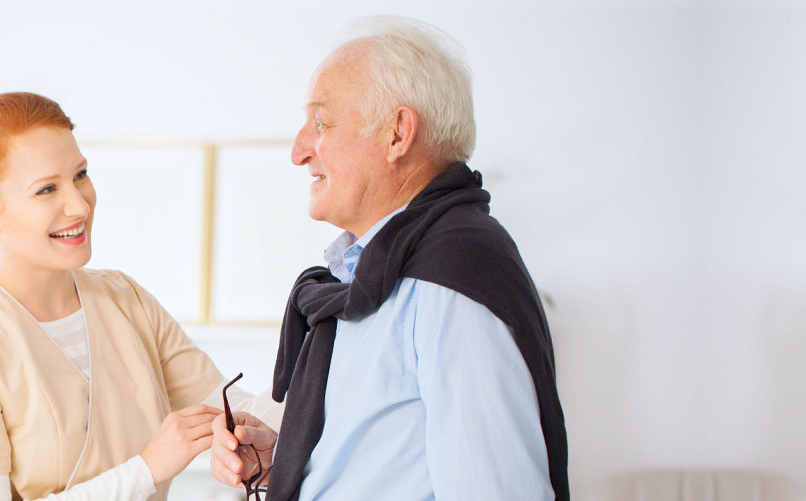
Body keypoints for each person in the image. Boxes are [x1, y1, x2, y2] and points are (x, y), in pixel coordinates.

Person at [208, 16, 569, 500]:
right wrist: (291, 460)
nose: (298, 151)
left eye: (321, 122)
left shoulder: (454, 276)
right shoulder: (380, 271)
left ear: (398, 133)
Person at [0, 91, 283, 501]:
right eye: (46, 190)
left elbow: (228, 405)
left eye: (80, 175)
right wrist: (147, 469)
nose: (79, 205)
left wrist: (292, 420)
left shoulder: (126, 300)